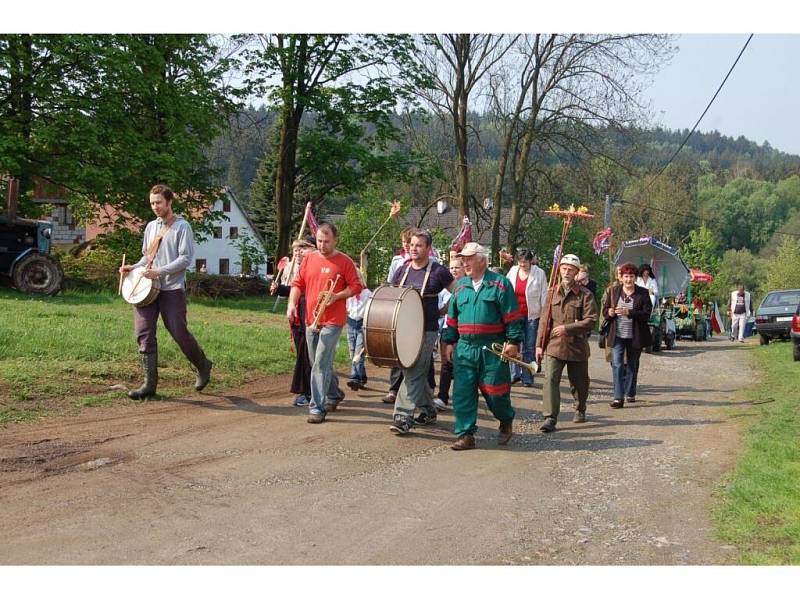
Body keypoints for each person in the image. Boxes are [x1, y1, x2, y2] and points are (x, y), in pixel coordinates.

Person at [119, 184, 212, 399]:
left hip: (172, 288)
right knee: (143, 333)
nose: (155, 207)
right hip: (147, 290)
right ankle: (149, 385)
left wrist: (159, 272)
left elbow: (185, 259)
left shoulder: (182, 227)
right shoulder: (151, 227)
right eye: (152, 203)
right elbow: (146, 258)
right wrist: (132, 267)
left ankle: (203, 364)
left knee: (178, 332)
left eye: (158, 202)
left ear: (169, 202)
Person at [442, 242, 524, 450]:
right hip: (465, 348)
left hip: (492, 349)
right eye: (463, 259)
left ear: (482, 260)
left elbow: (513, 317)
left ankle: (505, 419)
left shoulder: (500, 284)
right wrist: (450, 342)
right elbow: (452, 318)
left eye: (469, 259)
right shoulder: (460, 286)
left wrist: (513, 341)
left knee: (496, 393)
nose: (465, 263)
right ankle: (465, 434)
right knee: (463, 392)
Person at [288, 222, 363, 424]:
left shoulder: (344, 261)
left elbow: (357, 286)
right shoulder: (309, 258)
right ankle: (335, 394)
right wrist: (291, 305)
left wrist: (337, 296)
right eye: (319, 241)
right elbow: (297, 284)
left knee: (320, 362)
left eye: (326, 241)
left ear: (335, 240)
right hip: (311, 318)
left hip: (333, 320)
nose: (322, 245)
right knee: (316, 363)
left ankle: (317, 407)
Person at [389, 229, 455, 434]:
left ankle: (402, 417)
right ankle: (428, 409)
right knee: (414, 371)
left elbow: (460, 292)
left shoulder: (438, 271)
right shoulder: (402, 270)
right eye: (411, 245)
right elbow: (392, 296)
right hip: (404, 330)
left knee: (413, 370)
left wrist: (445, 310)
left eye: (418, 245)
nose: (413, 248)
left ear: (428, 248)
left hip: (427, 330)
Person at [535, 254, 598, 432]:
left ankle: (580, 407)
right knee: (550, 379)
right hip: (554, 346)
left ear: (577, 272)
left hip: (577, 346)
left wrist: (567, 328)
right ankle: (550, 417)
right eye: (564, 268)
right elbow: (544, 320)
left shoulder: (585, 295)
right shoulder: (551, 292)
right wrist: (539, 345)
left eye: (570, 269)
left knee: (579, 383)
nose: (566, 272)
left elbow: (592, 320)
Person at [270, 236, 317, 406]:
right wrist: (279, 289)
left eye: (304, 248)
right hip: (298, 319)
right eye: (298, 248)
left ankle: (311, 393)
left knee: (308, 358)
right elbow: (296, 289)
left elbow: (308, 291)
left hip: (312, 319)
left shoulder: (315, 267)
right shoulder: (303, 268)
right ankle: (326, 391)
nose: (299, 252)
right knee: (304, 356)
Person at [602, 263, 652, 408]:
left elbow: (646, 314)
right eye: (626, 276)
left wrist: (629, 312)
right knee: (617, 364)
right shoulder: (614, 291)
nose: (629, 280)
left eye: (631, 277)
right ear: (621, 278)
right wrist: (610, 313)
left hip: (635, 335)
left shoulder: (643, 293)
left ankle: (630, 392)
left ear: (635, 278)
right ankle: (618, 397)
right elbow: (605, 310)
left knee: (632, 364)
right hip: (617, 334)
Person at [505, 250, 548, 387]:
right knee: (514, 344)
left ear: (531, 261)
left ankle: (527, 377)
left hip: (532, 315)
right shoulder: (512, 271)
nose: (523, 264)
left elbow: (544, 294)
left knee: (529, 347)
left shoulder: (539, 273)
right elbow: (505, 289)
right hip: (514, 315)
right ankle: (514, 374)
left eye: (525, 261)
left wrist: (543, 316)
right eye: (520, 261)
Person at [383, 227, 413, 404]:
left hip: (416, 311)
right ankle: (393, 389)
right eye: (404, 243)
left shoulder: (430, 261)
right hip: (399, 310)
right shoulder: (397, 261)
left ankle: (426, 387)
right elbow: (391, 285)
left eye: (410, 243)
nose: (407, 246)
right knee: (397, 350)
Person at [435, 257, 464, 411]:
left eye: (457, 267)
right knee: (446, 363)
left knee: (461, 365)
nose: (453, 270)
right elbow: (440, 310)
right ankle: (442, 397)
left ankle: (462, 396)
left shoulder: (468, 286)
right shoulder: (443, 289)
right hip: (447, 328)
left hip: (464, 330)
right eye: (451, 268)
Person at [346, 268, 371, 391]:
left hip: (362, 324)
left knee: (358, 353)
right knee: (352, 352)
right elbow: (346, 308)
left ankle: (354, 377)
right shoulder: (348, 293)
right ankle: (362, 376)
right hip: (351, 323)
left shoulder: (368, 294)